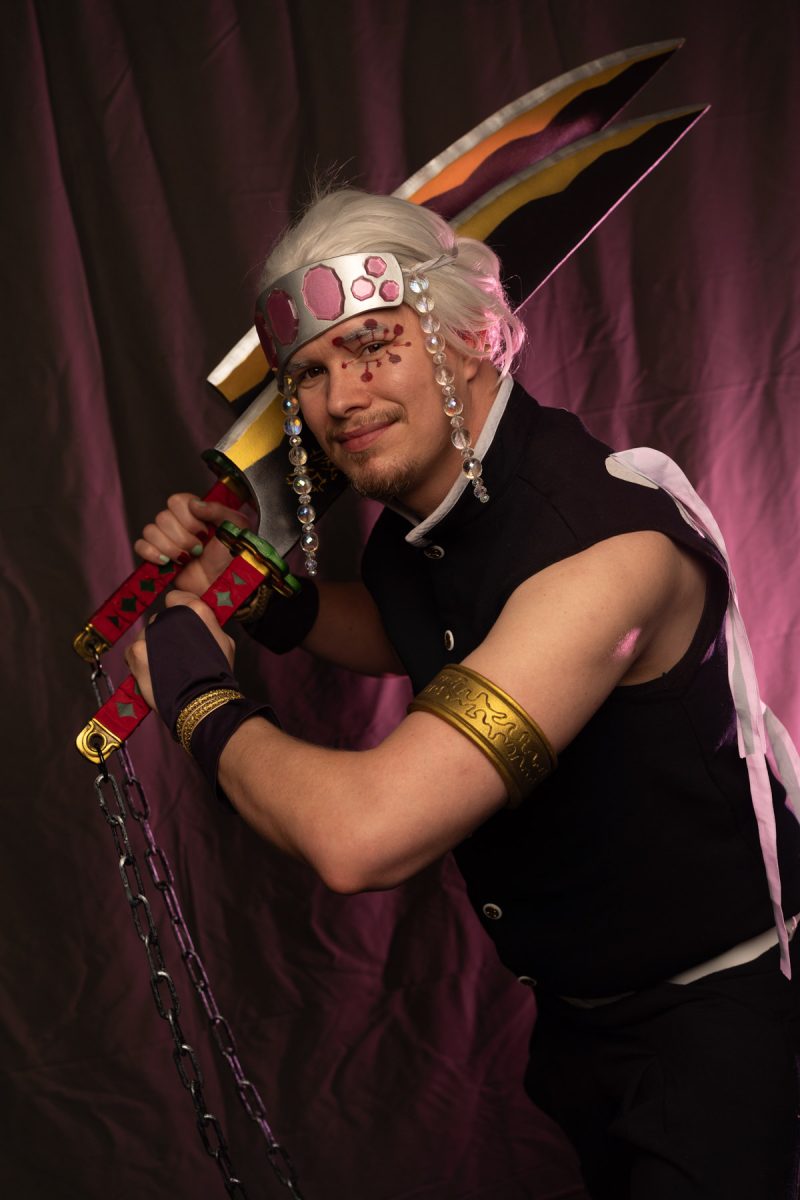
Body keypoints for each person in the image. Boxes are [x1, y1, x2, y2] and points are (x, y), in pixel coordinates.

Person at [126, 188, 800, 1199]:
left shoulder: (603, 557)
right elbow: (426, 635)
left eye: (372, 347)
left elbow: (365, 837)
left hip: (722, 1030)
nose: (338, 399)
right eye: (310, 371)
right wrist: (260, 591)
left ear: (475, 336)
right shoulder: (431, 511)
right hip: (584, 1023)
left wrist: (192, 693)